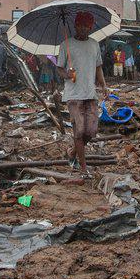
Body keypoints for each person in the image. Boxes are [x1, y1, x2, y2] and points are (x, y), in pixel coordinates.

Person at [57, 11, 107, 176]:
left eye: (87, 26)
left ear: (90, 28)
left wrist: (104, 85)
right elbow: (59, 69)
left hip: (90, 93)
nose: (84, 29)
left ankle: (72, 152)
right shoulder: (66, 45)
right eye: (81, 26)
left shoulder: (94, 44)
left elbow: (98, 66)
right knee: (79, 132)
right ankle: (83, 168)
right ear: (75, 26)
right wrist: (67, 74)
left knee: (91, 131)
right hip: (73, 95)